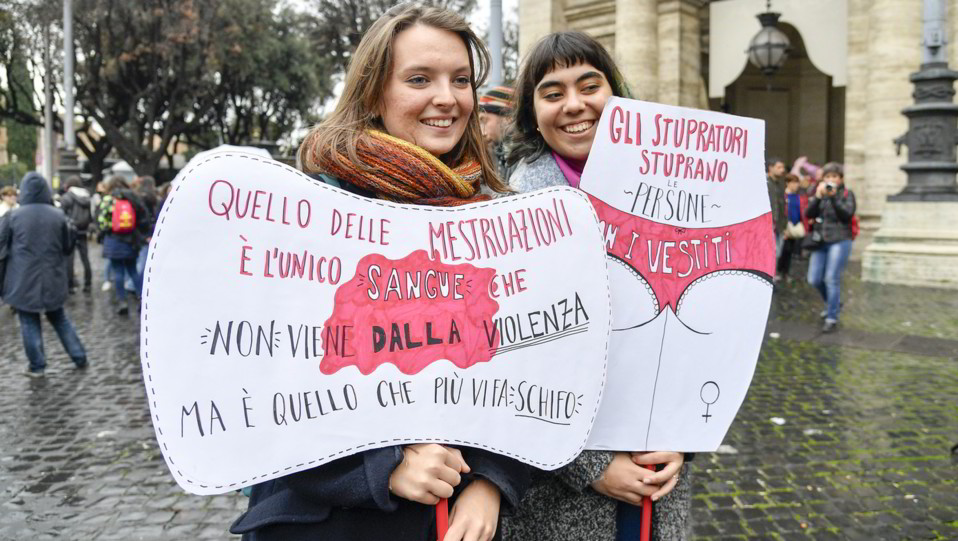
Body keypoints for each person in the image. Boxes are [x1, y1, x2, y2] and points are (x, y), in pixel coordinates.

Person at [230, 5, 526, 541]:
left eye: (461, 80)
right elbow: (260, 393)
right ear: (373, 92)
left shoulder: (499, 219)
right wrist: (381, 466)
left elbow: (529, 373)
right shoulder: (307, 216)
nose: (447, 98)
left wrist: (491, 481)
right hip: (329, 524)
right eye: (419, 79)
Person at [503, 31, 690, 541]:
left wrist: (686, 438)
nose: (575, 105)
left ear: (616, 94)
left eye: (590, 84)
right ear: (532, 111)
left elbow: (705, 329)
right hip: (556, 499)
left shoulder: (678, 194)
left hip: (658, 481)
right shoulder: (506, 210)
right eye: (552, 92)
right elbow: (506, 365)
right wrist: (590, 467)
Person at [0, 172, 88, 377]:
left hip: (22, 279)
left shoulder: (12, 217)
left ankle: (38, 365)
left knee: (29, 322)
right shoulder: (58, 215)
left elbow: (2, 249)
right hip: (53, 277)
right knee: (59, 318)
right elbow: (67, 247)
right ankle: (79, 355)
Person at [805, 162, 856, 333]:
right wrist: (818, 197)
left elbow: (847, 215)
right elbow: (808, 214)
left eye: (834, 176)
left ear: (840, 179)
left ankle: (832, 316)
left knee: (831, 278)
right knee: (814, 278)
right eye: (828, 177)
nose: (831, 180)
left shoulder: (847, 194)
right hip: (821, 241)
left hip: (840, 239)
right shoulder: (820, 195)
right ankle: (834, 303)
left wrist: (834, 197)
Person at [96, 175, 151, 315]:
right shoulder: (133, 197)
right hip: (131, 239)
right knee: (132, 270)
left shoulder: (108, 199)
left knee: (118, 272)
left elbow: (102, 221)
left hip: (114, 240)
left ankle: (122, 302)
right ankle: (142, 299)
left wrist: (105, 232)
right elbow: (143, 217)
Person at [60, 176, 94, 293]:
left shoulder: (66, 197)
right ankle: (88, 283)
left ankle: (70, 285)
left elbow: (62, 215)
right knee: (85, 258)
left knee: (70, 259)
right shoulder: (86, 196)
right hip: (83, 231)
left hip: (70, 231)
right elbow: (91, 215)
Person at [775, 173, 807, 281]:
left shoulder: (799, 197)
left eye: (797, 182)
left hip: (795, 226)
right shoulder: (783, 196)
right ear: (787, 183)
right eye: (793, 182)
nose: (796, 185)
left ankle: (786, 272)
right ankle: (779, 271)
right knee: (783, 250)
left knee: (790, 251)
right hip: (785, 227)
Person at [479, 85, 515, 180]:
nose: (482, 133)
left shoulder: (525, 160)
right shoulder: (503, 154)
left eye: (484, 120)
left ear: (508, 118)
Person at [766, 157, 787, 282]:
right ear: (771, 168)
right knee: (771, 252)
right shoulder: (765, 183)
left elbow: (782, 206)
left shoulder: (779, 184)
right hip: (769, 225)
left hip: (778, 225)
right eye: (779, 167)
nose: (782, 170)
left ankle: (771, 276)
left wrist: (784, 225)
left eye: (782, 167)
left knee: (777, 252)